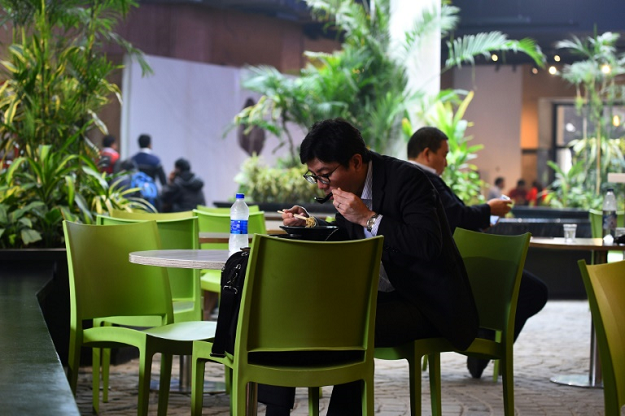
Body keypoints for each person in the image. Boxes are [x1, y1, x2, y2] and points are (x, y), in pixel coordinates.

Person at [264, 118, 479, 415]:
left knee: (352, 324)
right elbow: (347, 240)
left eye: (326, 175)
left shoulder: (409, 180)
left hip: (425, 302)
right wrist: (308, 224)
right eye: (315, 177)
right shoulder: (348, 188)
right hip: (377, 297)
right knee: (296, 311)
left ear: (355, 161)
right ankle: (277, 410)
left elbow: (428, 244)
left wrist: (368, 217)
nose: (323, 186)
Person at [407, 126, 549, 379]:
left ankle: (482, 335)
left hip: (448, 263)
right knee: (534, 291)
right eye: (444, 154)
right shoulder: (420, 178)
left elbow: (451, 216)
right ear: (427, 154)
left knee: (526, 288)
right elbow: (454, 217)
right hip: (451, 267)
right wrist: (488, 209)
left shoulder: (412, 177)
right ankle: (483, 343)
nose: (447, 162)